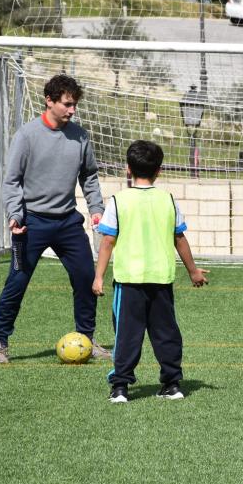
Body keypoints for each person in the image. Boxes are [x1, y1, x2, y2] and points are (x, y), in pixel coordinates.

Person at [0, 74, 110, 364]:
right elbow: (12, 181)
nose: (72, 111)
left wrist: (96, 208)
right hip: (31, 222)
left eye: (74, 105)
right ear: (50, 101)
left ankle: (87, 338)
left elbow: (89, 176)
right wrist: (15, 214)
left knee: (85, 279)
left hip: (68, 222)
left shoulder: (80, 136)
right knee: (17, 282)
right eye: (67, 104)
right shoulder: (27, 136)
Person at [93, 140, 209, 403]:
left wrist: (99, 276)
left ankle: (121, 387)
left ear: (127, 170)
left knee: (126, 335)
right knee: (166, 333)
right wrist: (193, 272)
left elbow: (108, 242)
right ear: (159, 171)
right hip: (161, 279)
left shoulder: (117, 201)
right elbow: (180, 238)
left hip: (128, 281)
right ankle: (172, 383)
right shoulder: (167, 199)